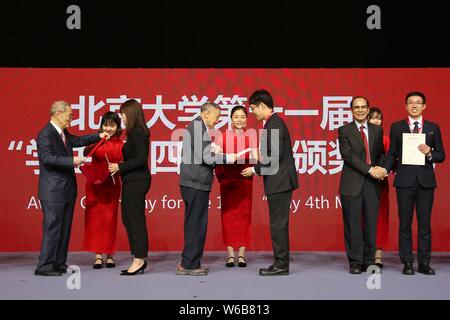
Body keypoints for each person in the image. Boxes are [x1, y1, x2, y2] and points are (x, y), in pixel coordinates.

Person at [35, 101, 108, 276]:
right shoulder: (46, 134)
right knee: (53, 227)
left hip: (67, 189)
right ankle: (44, 266)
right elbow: (47, 158)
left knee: (64, 228)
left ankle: (59, 263)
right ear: (58, 113)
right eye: (70, 115)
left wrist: (99, 135)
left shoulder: (62, 133)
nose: (71, 119)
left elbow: (77, 140)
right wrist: (71, 161)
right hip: (53, 191)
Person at [382, 92, 445, 275]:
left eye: (418, 103)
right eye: (410, 103)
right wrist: (385, 170)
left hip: (426, 182)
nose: (414, 106)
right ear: (405, 106)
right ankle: (407, 262)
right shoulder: (397, 127)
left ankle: (424, 262)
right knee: (405, 224)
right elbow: (392, 153)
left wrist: (430, 152)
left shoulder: (433, 127)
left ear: (424, 106)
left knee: (424, 224)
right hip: (404, 181)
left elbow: (441, 155)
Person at [242, 89, 298, 276]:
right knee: (278, 223)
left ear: (262, 105)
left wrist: (254, 169)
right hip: (279, 180)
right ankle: (280, 263)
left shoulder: (274, 124)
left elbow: (274, 157)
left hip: (279, 181)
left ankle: (281, 265)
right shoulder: (272, 124)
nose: (251, 112)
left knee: (278, 224)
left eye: (252, 108)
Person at [176, 102, 237, 276]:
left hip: (191, 182)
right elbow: (207, 158)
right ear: (207, 113)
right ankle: (190, 265)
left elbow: (201, 153)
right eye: (216, 117)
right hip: (196, 183)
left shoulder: (196, 127)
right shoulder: (197, 127)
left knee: (192, 224)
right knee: (196, 225)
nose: (217, 121)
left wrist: (213, 150)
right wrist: (227, 158)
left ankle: (188, 261)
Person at [337, 96, 386, 274]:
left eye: (363, 107)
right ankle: (355, 262)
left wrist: (381, 167)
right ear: (351, 110)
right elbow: (348, 156)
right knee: (353, 225)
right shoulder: (344, 130)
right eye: (356, 107)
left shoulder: (376, 130)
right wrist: (370, 169)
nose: (359, 110)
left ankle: (368, 260)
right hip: (352, 183)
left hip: (372, 185)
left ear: (368, 108)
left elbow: (380, 152)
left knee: (371, 224)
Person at [108, 99, 151, 276]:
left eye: (123, 113)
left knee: (135, 220)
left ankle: (139, 259)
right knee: (129, 218)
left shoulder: (138, 133)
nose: (122, 117)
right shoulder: (132, 133)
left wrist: (120, 167)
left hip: (137, 181)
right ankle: (137, 256)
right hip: (131, 180)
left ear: (131, 114)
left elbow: (141, 159)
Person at [215, 106, 258, 267]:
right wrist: (228, 157)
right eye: (236, 117)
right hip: (228, 181)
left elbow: (255, 156)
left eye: (242, 117)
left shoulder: (251, 136)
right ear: (231, 119)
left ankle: (241, 254)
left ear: (246, 118)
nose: (240, 119)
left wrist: (255, 158)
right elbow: (216, 156)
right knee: (228, 217)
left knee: (244, 217)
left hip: (245, 180)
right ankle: (230, 255)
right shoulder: (222, 136)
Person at [83, 112, 124, 269]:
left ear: (118, 127)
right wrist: (98, 140)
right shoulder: (98, 141)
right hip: (95, 185)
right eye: (106, 125)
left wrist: (117, 167)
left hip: (111, 185)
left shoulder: (121, 145)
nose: (108, 128)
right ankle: (98, 255)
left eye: (112, 125)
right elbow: (86, 153)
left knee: (109, 220)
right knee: (96, 220)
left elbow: (123, 162)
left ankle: (110, 254)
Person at [367, 107, 390, 268]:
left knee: (380, 218)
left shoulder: (387, 139)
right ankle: (366, 254)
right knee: (365, 219)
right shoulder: (361, 137)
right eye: (373, 118)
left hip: (381, 183)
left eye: (379, 118)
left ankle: (378, 255)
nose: (376, 121)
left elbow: (390, 160)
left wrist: (384, 170)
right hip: (364, 182)